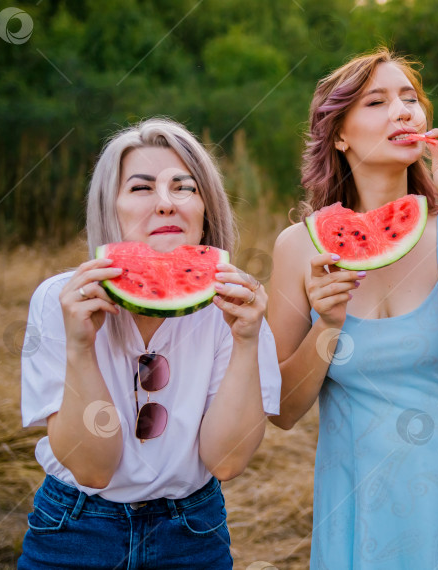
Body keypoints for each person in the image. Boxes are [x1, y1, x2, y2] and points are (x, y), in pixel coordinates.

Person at [267, 48, 438, 569]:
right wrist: (326, 326)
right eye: (377, 101)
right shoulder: (298, 248)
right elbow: (281, 410)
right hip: (363, 508)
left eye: (410, 99)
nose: (402, 110)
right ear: (340, 135)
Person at [18, 117, 282, 570]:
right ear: (110, 210)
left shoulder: (237, 305)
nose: (165, 204)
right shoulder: (60, 300)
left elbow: (227, 461)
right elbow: (93, 469)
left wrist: (246, 341)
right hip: (73, 530)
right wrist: (81, 348)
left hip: (192, 533)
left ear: (206, 210)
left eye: (184, 187)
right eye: (141, 189)